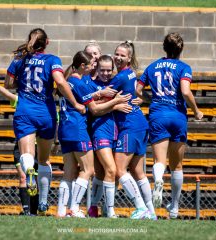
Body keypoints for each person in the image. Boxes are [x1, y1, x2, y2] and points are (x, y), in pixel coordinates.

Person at [4, 28, 85, 215]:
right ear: (47, 42)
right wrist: (75, 103)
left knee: (27, 155)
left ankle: (29, 171)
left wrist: (22, 84)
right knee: (44, 159)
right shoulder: (52, 60)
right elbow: (61, 83)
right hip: (46, 114)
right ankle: (42, 202)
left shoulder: (19, 59)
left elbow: (8, 84)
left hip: (24, 111)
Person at [57, 51, 131, 218]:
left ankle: (61, 211)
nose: (93, 67)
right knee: (88, 170)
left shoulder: (71, 81)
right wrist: (116, 102)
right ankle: (74, 208)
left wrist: (100, 95)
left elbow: (90, 100)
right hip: (78, 129)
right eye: (91, 64)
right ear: (83, 66)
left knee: (69, 172)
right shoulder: (81, 83)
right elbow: (95, 109)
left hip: (64, 129)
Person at [136, 32, 203, 219]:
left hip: (158, 114)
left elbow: (137, 90)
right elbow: (185, 91)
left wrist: (149, 99)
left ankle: (158, 180)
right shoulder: (184, 67)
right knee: (177, 166)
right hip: (178, 115)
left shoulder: (153, 66)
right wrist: (196, 110)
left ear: (164, 47)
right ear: (181, 49)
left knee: (159, 161)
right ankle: (174, 207)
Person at [108, 41, 156, 220]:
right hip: (140, 125)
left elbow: (104, 97)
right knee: (138, 172)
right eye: (116, 54)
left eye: (122, 55)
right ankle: (151, 212)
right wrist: (141, 100)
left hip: (130, 126)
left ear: (129, 58)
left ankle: (140, 207)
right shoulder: (130, 74)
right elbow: (137, 93)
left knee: (120, 170)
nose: (118, 58)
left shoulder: (120, 77)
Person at [0, 73, 39, 215]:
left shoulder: (35, 104)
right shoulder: (34, 103)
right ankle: (29, 211)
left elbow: (8, 93)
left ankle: (33, 211)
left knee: (28, 178)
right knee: (27, 178)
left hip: (32, 147)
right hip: (26, 147)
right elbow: (9, 95)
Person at [85, 55, 133, 218]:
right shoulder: (91, 84)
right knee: (112, 169)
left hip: (116, 132)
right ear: (96, 69)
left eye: (108, 70)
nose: (105, 73)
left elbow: (129, 96)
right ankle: (110, 210)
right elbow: (93, 108)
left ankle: (95, 208)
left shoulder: (115, 84)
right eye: (102, 70)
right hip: (99, 131)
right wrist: (115, 104)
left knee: (102, 174)